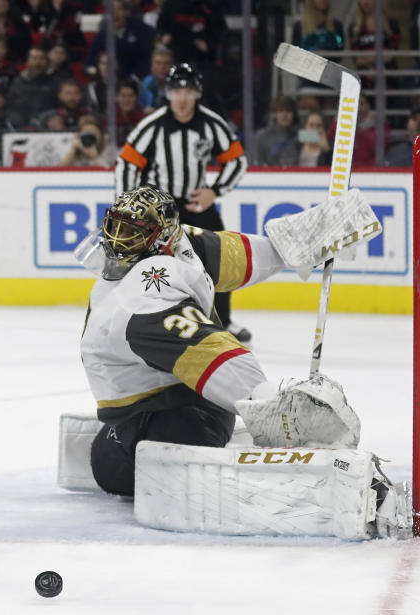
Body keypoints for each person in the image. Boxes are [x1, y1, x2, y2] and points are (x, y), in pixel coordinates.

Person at [73, 185, 409, 538]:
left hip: (177, 417)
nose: (117, 242)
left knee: (114, 465)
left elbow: (214, 347)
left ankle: (307, 496)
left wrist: (309, 236)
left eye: (133, 234)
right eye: (115, 228)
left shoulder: (160, 276)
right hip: (160, 411)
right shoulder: (165, 264)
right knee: (108, 462)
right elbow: (213, 350)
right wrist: (271, 401)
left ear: (163, 238)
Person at [115, 63, 249, 343]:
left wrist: (215, 190)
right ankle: (152, 319)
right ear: (167, 93)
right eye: (177, 90)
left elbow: (236, 160)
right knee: (154, 267)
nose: (183, 97)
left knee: (220, 262)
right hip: (161, 211)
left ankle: (222, 320)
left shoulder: (212, 123)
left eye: (189, 90)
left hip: (198, 204)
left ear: (198, 93)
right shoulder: (152, 126)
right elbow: (126, 164)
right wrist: (130, 207)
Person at [254, 95, 300, 167]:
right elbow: (258, 163)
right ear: (275, 114)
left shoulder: (299, 136)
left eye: (288, 111)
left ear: (294, 114)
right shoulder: (263, 136)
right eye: (281, 111)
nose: (284, 115)